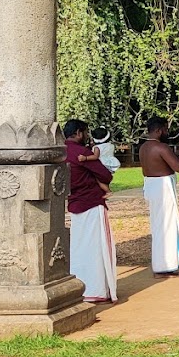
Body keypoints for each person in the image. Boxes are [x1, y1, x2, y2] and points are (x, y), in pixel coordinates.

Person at [65, 119, 117, 303]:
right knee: (98, 247)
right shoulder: (82, 152)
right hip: (92, 202)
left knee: (79, 247)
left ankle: (80, 287)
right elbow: (105, 174)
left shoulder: (61, 152)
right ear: (78, 133)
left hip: (74, 202)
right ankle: (97, 289)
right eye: (85, 132)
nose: (87, 136)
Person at [139, 116, 179, 278]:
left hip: (151, 186)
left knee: (159, 226)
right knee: (166, 227)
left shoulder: (143, 148)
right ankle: (163, 267)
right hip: (163, 188)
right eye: (166, 129)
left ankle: (165, 264)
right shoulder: (161, 148)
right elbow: (178, 167)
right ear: (158, 130)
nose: (167, 132)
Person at [77, 127, 121, 198]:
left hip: (102, 164)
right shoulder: (111, 145)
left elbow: (95, 156)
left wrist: (85, 158)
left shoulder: (97, 148)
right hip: (110, 164)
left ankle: (108, 191)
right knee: (105, 179)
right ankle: (104, 191)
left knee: (98, 180)